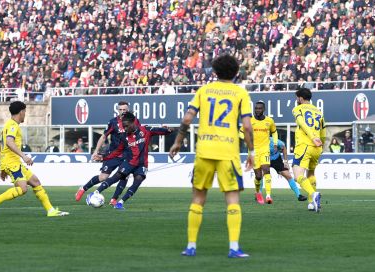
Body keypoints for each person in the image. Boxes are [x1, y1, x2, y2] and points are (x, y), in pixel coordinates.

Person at [169, 54, 254, 258]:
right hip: (228, 152)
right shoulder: (240, 93)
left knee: (198, 198)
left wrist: (178, 141)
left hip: (204, 150)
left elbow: (188, 118)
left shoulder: (204, 90)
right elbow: (248, 126)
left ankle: (191, 246)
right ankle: (234, 247)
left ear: (214, 72)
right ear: (236, 73)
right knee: (232, 199)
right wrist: (252, 152)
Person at [0, 101, 69, 218]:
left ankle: (50, 210)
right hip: (12, 163)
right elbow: (9, 142)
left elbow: (0, 147)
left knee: (35, 182)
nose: (25, 114)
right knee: (22, 189)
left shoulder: (7, 125)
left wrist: (2, 168)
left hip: (12, 163)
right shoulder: (13, 125)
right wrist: (23, 156)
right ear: (21, 112)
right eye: (25, 112)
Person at [91, 111, 172, 209]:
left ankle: (120, 203)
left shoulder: (145, 130)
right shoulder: (124, 137)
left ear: (133, 122)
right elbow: (117, 151)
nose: (124, 129)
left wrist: (168, 130)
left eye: (126, 126)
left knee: (137, 181)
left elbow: (160, 130)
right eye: (123, 126)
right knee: (115, 178)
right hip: (129, 163)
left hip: (142, 164)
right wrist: (103, 157)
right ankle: (95, 193)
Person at [75, 101, 140, 206]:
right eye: (121, 110)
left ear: (128, 110)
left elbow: (139, 135)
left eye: (125, 110)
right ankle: (83, 188)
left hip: (127, 154)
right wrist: (96, 150)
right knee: (103, 177)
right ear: (117, 110)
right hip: (113, 154)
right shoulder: (113, 122)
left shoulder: (135, 121)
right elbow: (104, 136)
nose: (122, 112)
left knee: (124, 176)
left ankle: (114, 199)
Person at [292, 88, 326, 212]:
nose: (297, 100)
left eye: (297, 98)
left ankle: (313, 194)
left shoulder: (297, 109)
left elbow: (301, 122)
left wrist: (312, 137)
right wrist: (320, 144)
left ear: (300, 98)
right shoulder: (318, 112)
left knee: (297, 176)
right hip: (317, 148)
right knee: (311, 173)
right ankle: (311, 204)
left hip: (304, 145)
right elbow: (323, 132)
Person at [242, 101, 278, 205]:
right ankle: (257, 192)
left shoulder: (269, 121)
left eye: (259, 108)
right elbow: (241, 133)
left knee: (266, 170)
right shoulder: (250, 121)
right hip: (253, 152)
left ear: (264, 109)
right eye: (256, 108)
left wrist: (275, 143)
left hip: (265, 150)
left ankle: (268, 196)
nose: (257, 110)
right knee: (258, 176)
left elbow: (274, 132)